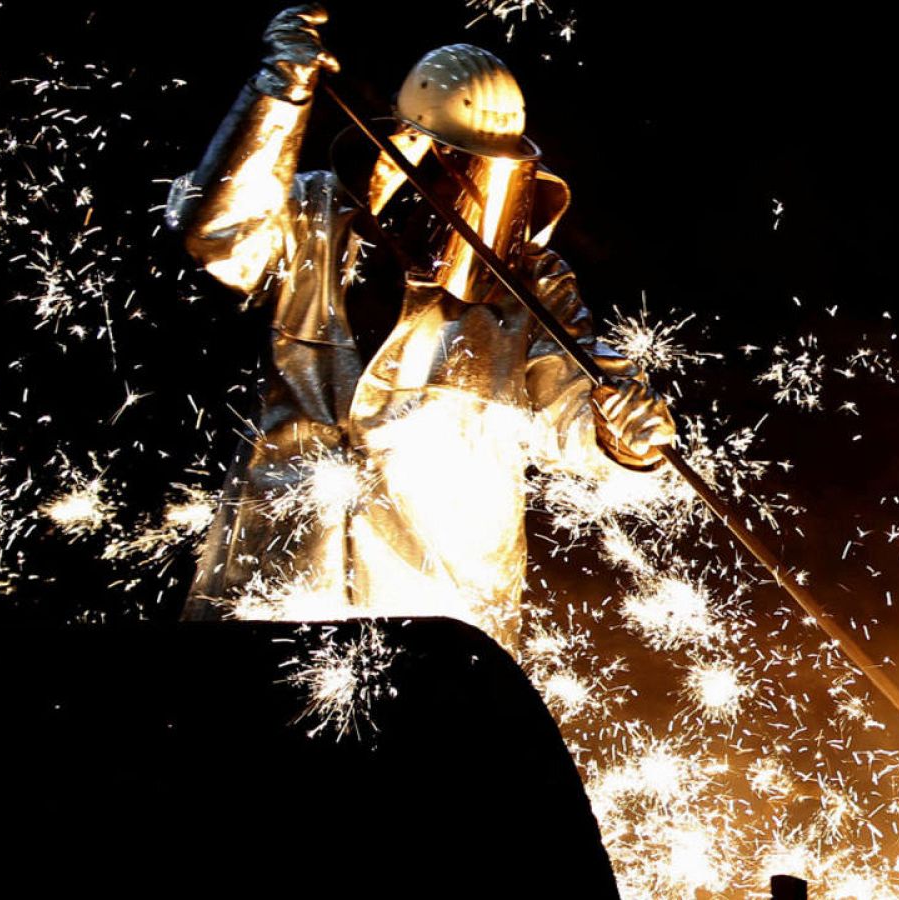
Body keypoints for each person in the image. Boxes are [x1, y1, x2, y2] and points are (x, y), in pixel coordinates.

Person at [166, 4, 675, 650]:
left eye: (476, 176)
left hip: (433, 627)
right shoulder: (314, 218)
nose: (455, 193)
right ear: (405, 144)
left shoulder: (528, 284)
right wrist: (277, 93)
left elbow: (577, 404)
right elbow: (216, 235)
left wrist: (622, 435)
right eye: (445, 165)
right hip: (272, 595)